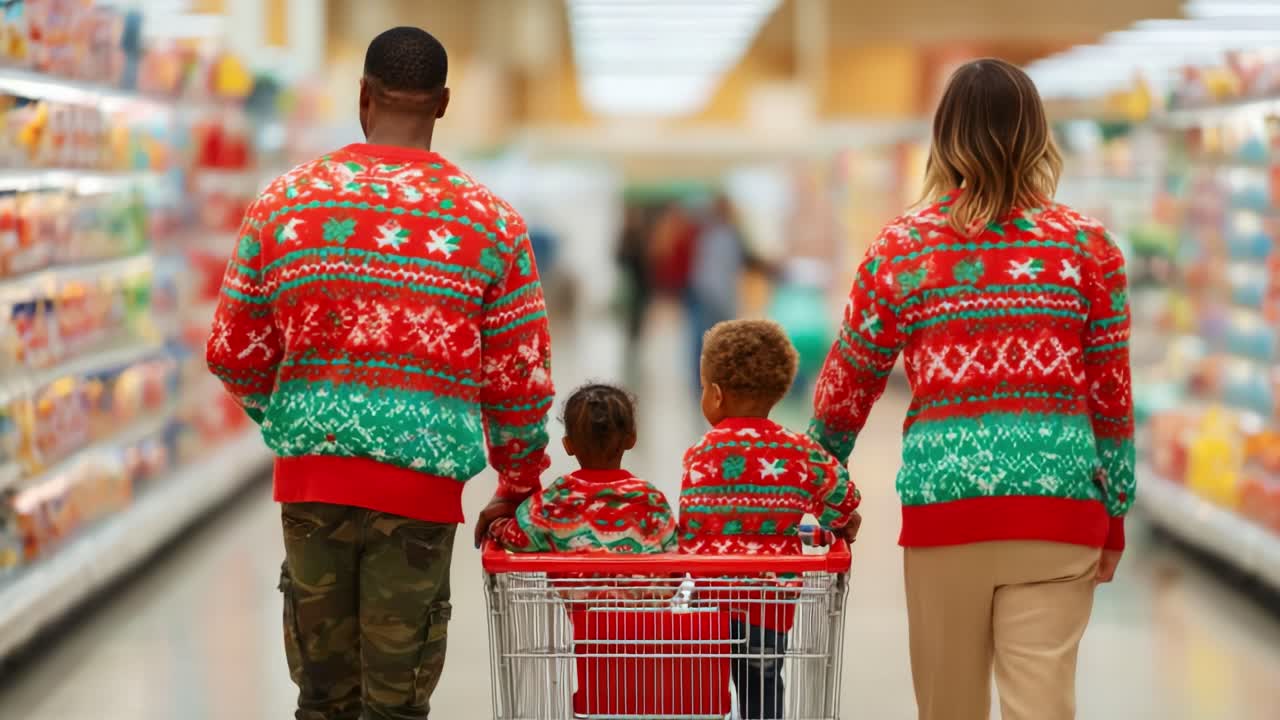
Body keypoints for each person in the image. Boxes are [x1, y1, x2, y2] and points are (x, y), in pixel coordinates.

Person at [206, 27, 553, 720]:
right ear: (444, 103)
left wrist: (296, 418)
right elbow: (520, 379)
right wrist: (517, 482)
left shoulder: (285, 203)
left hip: (310, 485)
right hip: (420, 494)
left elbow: (230, 349)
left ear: (362, 94)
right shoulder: (492, 223)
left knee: (322, 696)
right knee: (395, 705)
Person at [807, 58, 1134, 720]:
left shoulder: (900, 249)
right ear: (1038, 136)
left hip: (945, 512)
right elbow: (1112, 398)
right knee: (1042, 706)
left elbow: (845, 389)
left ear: (943, 137)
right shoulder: (1088, 248)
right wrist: (1116, 511)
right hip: (1061, 508)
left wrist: (819, 483)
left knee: (948, 707)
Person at [678, 319, 861, 720]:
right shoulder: (798, 450)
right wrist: (838, 520)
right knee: (762, 693)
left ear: (716, 394)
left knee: (704, 697)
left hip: (711, 602)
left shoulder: (701, 454)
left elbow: (692, 529)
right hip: (770, 605)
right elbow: (844, 499)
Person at [489, 383, 676, 553]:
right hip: (643, 592)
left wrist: (496, 525)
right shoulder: (650, 499)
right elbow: (674, 551)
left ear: (567, 445)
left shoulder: (554, 500)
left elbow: (517, 539)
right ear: (631, 439)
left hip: (575, 591)